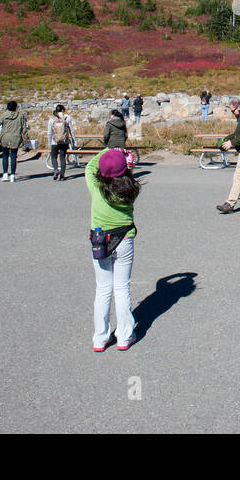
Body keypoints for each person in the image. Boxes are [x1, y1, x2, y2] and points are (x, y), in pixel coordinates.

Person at [87, 148, 141, 351]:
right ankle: (125, 336)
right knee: (122, 287)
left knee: (102, 289)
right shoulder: (132, 188)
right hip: (124, 238)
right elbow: (125, 172)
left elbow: (90, 166)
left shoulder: (95, 186)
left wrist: (107, 150)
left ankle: (100, 337)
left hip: (100, 239)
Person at [0, 101, 27, 182]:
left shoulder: (4, 115)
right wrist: (26, 139)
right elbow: (24, 128)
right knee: (13, 156)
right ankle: (12, 175)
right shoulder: (20, 116)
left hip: (5, 137)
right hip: (15, 137)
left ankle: (5, 174)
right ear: (16, 107)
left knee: (5, 156)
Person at [48, 105, 77, 181]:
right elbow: (71, 131)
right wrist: (74, 140)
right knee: (62, 158)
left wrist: (49, 142)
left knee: (54, 157)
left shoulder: (52, 119)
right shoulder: (67, 118)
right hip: (64, 141)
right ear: (63, 110)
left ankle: (55, 170)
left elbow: (49, 132)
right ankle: (62, 175)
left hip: (54, 142)